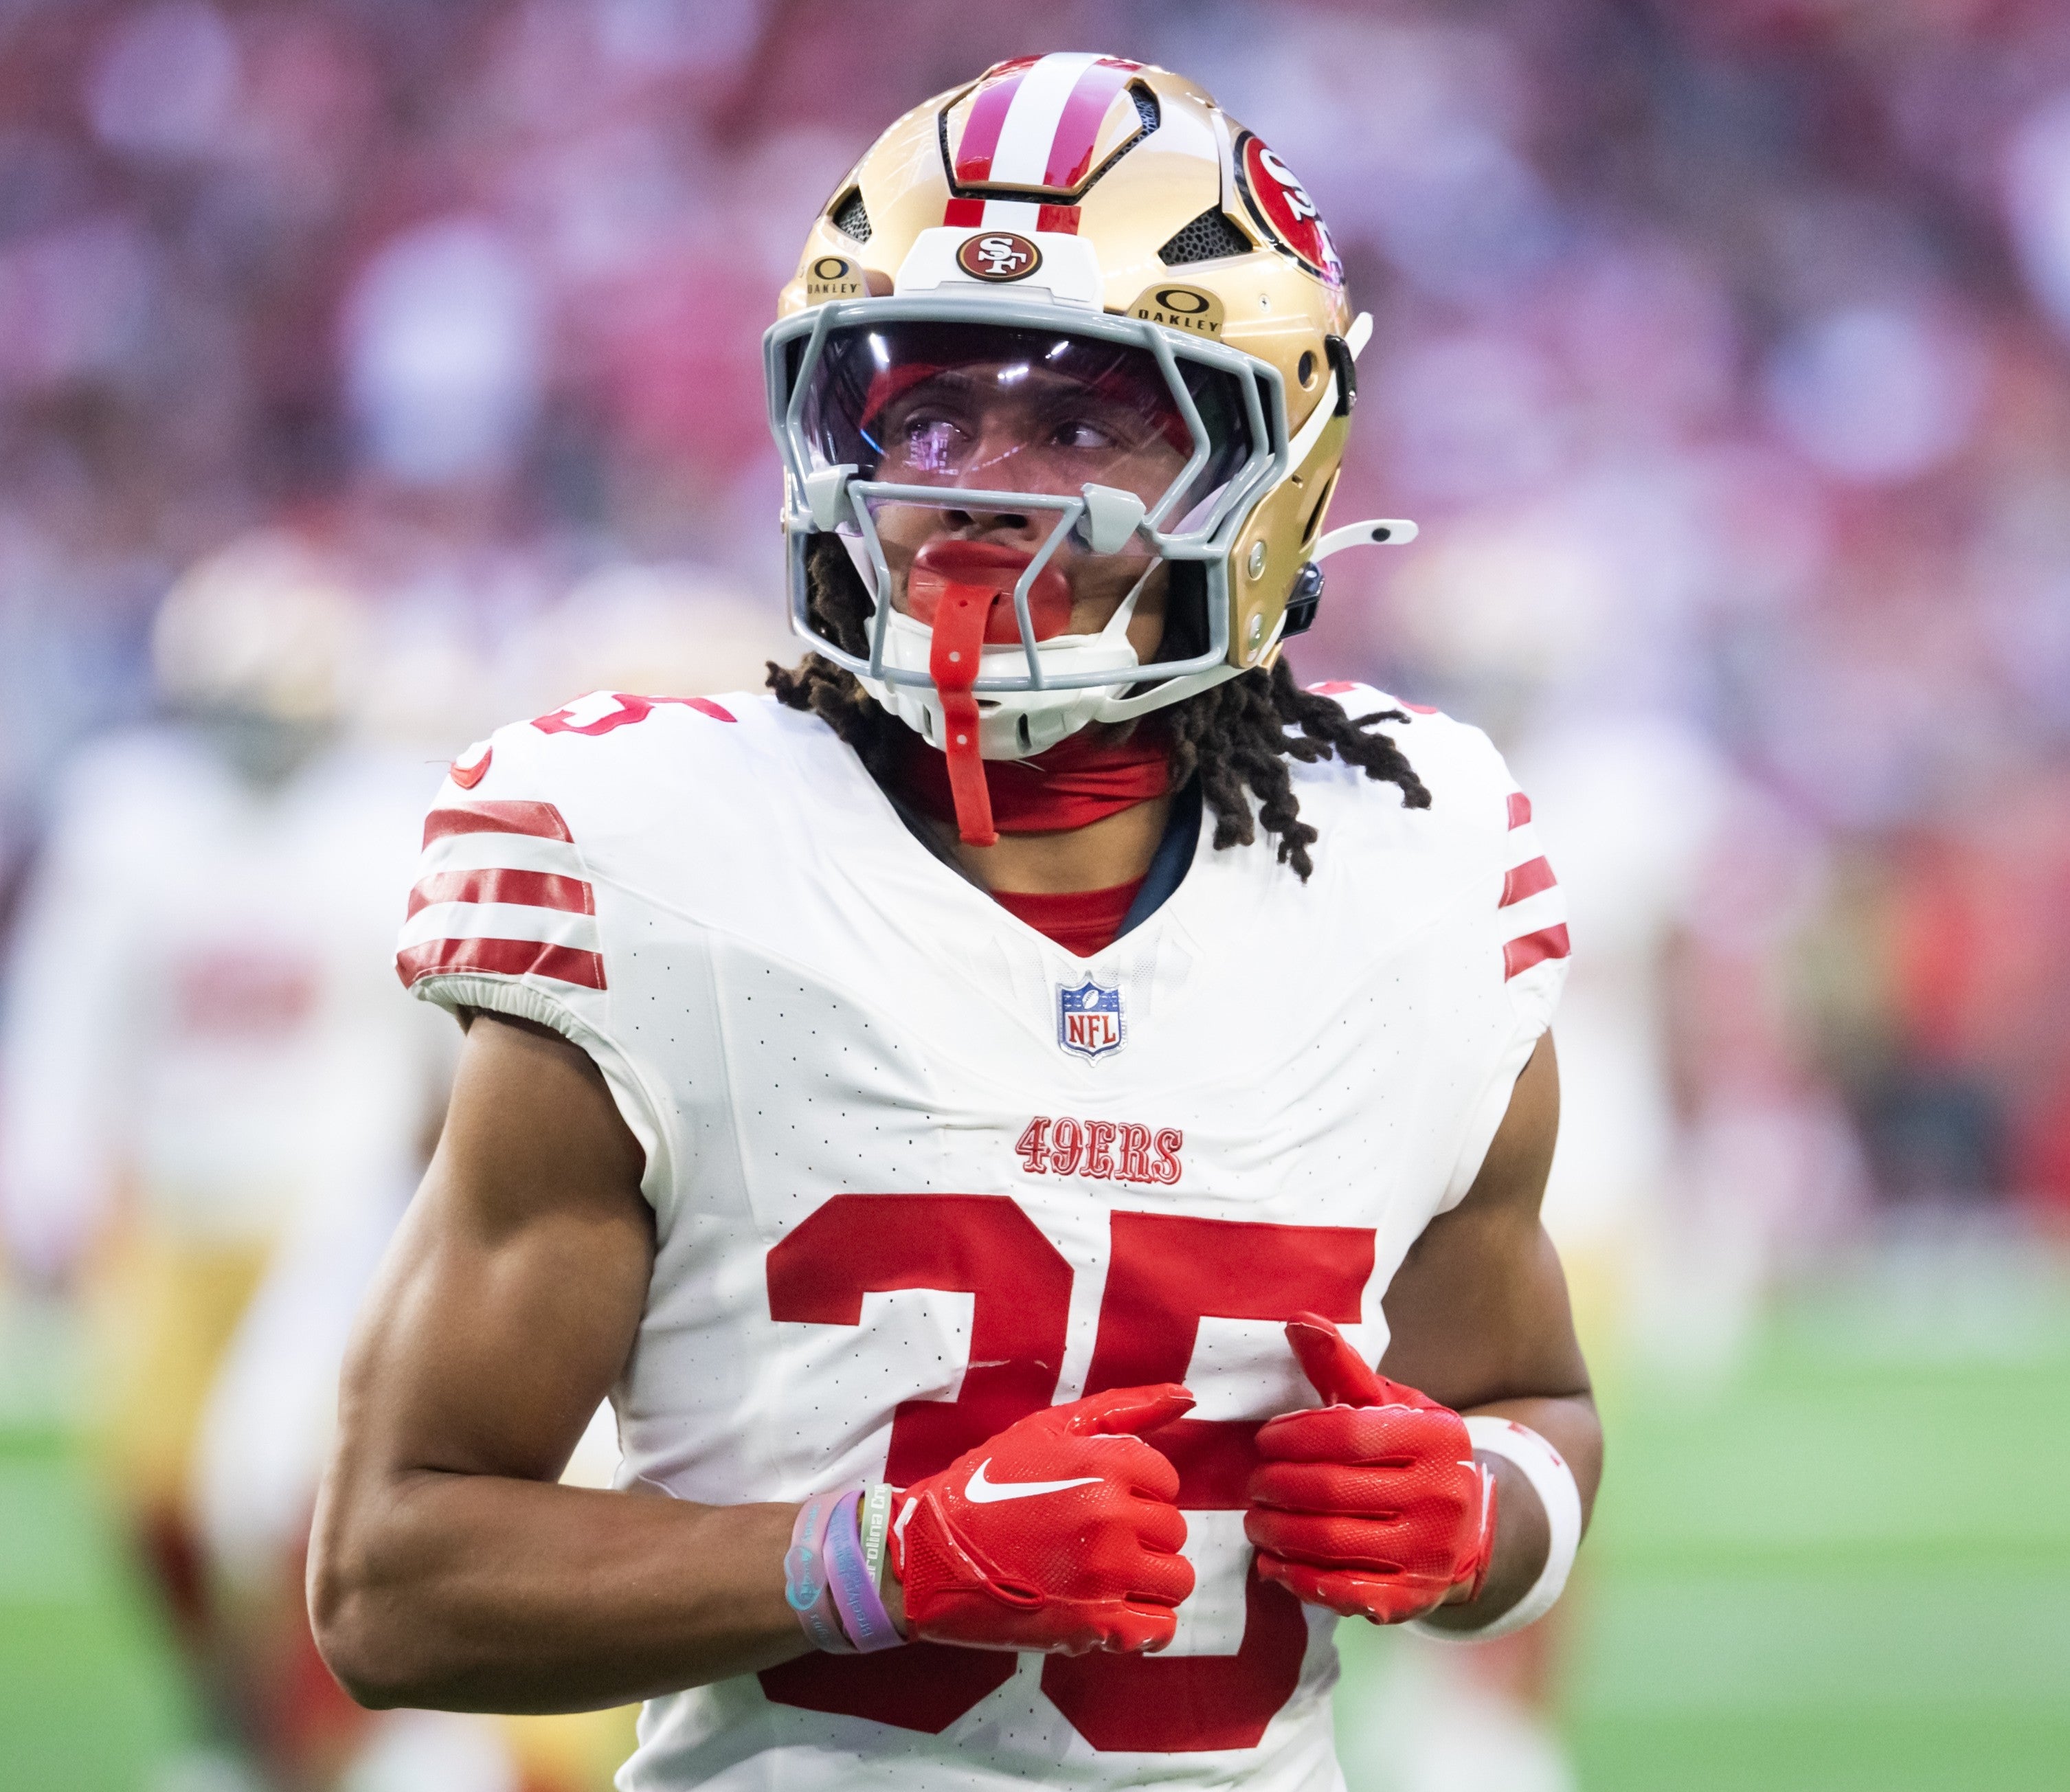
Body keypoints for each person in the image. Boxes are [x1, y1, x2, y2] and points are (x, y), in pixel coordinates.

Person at [310, 54, 1601, 1791]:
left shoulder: (1416, 864)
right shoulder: (665, 857)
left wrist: (1481, 1508)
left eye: (1080, 421)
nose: (980, 487)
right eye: (922, 415)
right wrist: (879, 1561)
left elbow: (1532, 1395)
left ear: (1269, 466)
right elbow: (393, 1578)